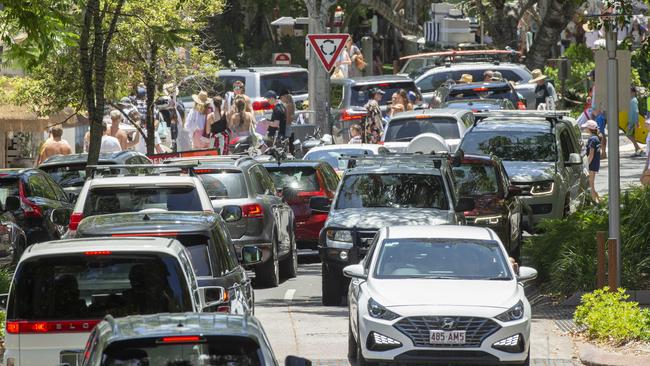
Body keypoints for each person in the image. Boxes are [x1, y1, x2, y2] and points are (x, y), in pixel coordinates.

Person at [584, 120, 601, 203]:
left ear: (589, 128)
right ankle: (601, 201)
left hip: (591, 165)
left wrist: (585, 166)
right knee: (591, 185)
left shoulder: (592, 139)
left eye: (586, 127)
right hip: (595, 165)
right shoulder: (596, 138)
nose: (584, 129)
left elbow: (591, 155)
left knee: (591, 186)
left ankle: (596, 203)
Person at [627, 87, 644, 156]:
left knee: (629, 135)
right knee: (631, 135)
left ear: (633, 92)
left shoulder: (633, 100)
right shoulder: (632, 100)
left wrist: (636, 122)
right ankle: (637, 149)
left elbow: (636, 111)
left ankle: (638, 148)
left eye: (630, 92)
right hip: (632, 121)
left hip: (633, 122)